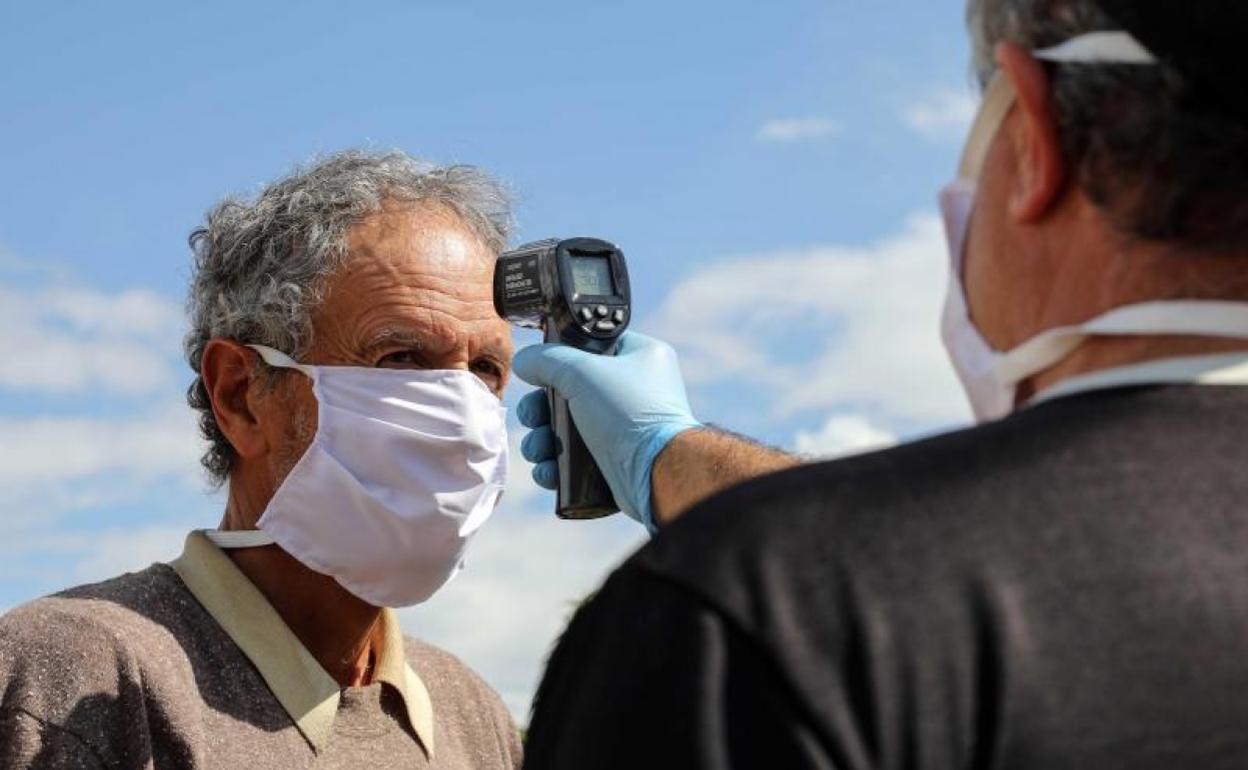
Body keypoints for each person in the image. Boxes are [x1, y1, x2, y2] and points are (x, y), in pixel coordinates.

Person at [517, 1, 1248, 767]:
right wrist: (674, 457)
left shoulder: (755, 616)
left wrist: (691, 487)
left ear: (1035, 139)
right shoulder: (791, 592)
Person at [0, 151, 523, 769]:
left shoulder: (471, 713)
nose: (461, 419)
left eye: (486, 370)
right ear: (240, 395)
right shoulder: (77, 673)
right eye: (401, 358)